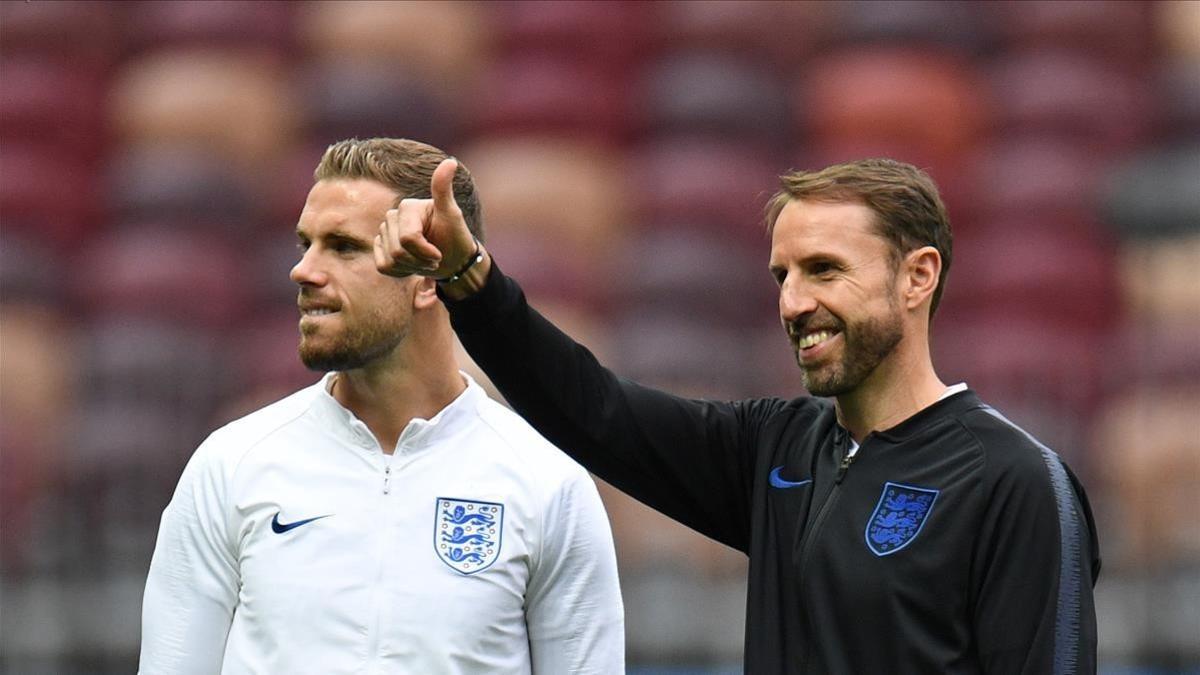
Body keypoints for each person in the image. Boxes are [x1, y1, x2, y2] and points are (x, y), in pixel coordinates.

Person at [376, 157, 1101, 674]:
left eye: (823, 269)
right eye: (782, 276)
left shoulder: (1015, 480)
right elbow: (591, 409)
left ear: (918, 276)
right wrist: (470, 280)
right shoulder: (775, 450)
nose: (792, 303)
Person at [139, 138, 625, 674]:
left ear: (426, 277)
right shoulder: (231, 466)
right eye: (307, 244)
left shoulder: (547, 485)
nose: (303, 271)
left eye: (344, 247)